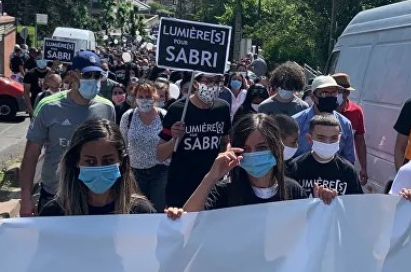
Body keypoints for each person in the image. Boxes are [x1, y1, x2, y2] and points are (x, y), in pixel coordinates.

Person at [0, 119, 154, 226]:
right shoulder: (55, 213)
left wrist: (177, 223)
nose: (99, 167)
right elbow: (37, 263)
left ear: (122, 162)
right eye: (90, 161)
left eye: (108, 161)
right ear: (76, 162)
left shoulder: (140, 212)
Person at [165, 113, 333, 216]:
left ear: (275, 147)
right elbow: (188, 219)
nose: (253, 154)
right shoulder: (224, 191)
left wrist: (323, 205)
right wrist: (211, 177)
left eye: (262, 148)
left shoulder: (293, 191)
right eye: (246, 149)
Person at [20, 51, 116, 216]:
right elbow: (31, 156)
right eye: (87, 75)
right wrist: (26, 197)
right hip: (55, 196)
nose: (93, 80)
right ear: (73, 75)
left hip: (94, 198)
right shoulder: (48, 106)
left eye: (97, 75)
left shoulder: (107, 108)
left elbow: (113, 154)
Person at [157, 72, 232, 207]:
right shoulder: (178, 110)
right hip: (181, 187)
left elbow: (225, 141)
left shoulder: (223, 108)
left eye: (217, 81)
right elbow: (160, 155)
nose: (213, 86)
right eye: (208, 81)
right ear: (196, 83)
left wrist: (227, 154)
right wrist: (175, 139)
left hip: (212, 186)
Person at [121, 81, 169, 211]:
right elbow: (123, 144)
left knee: (158, 209)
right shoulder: (128, 116)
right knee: (138, 210)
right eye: (140, 97)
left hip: (160, 171)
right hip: (136, 172)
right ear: (135, 97)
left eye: (148, 97)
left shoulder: (164, 116)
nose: (144, 100)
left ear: (155, 97)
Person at [288, 114, 364, 197]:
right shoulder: (295, 167)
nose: (328, 143)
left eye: (333, 138)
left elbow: (357, 203)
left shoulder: (348, 170)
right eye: (321, 138)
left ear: (339, 138)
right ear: (309, 139)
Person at [292, 75, 356, 164]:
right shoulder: (296, 122)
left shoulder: (345, 125)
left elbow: (349, 160)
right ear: (312, 96)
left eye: (334, 93)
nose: (329, 97)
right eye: (324, 93)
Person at [332, 73, 369, 186]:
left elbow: (360, 140)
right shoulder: (324, 109)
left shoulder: (356, 112)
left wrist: (363, 167)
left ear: (347, 93)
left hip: (345, 166)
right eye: (333, 91)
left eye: (338, 91)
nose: (335, 94)